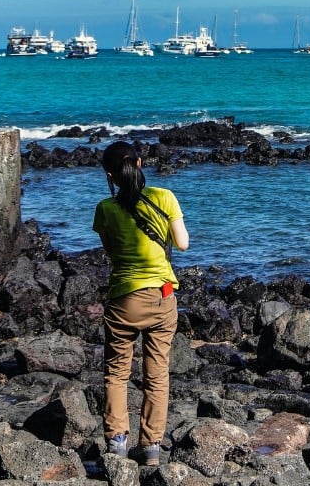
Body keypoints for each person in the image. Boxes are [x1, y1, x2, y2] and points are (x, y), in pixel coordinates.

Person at [94, 142, 189, 465]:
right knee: (157, 374)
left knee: (117, 373)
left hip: (124, 299)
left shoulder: (105, 209)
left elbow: (111, 251)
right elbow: (183, 244)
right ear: (139, 162)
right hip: (162, 296)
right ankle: (151, 447)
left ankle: (117, 442)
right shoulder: (164, 197)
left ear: (110, 174)